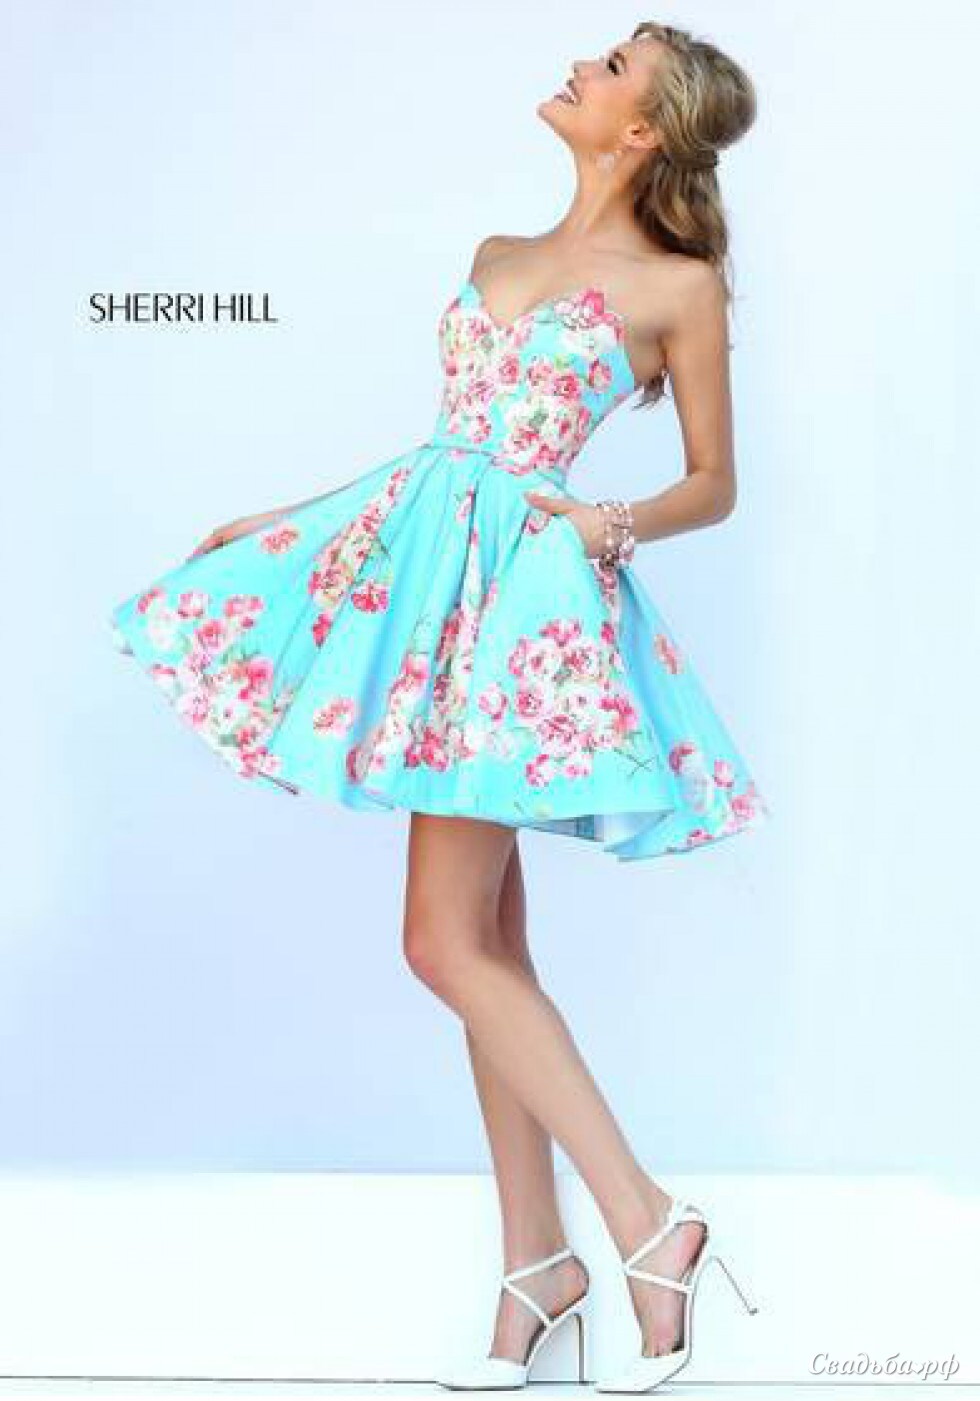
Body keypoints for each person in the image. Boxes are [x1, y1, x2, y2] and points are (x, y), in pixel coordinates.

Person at [108, 19, 768, 1394]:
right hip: (427, 584)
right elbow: (442, 453)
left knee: (440, 942)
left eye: (614, 67)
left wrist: (608, 522)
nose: (584, 66)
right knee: (486, 942)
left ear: (643, 130)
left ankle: (650, 1222)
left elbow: (716, 481)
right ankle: (539, 1265)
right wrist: (287, 518)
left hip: (525, 607)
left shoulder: (677, 287)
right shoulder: (496, 255)